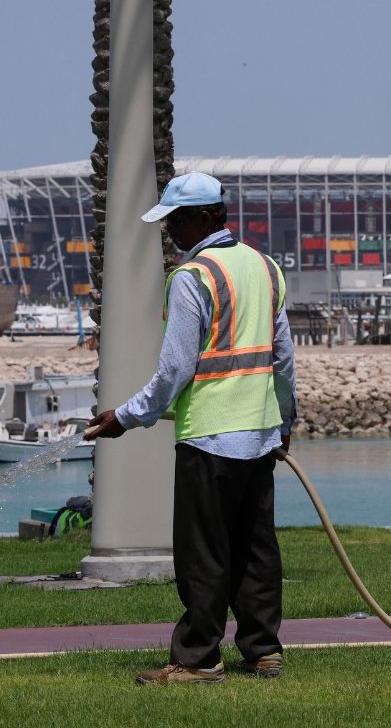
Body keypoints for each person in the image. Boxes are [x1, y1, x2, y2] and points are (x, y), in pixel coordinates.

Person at [87, 171, 297, 686]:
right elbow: (284, 358)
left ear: (205, 217)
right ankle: (263, 651)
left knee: (204, 554)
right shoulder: (266, 267)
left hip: (210, 436)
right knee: (255, 549)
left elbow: (176, 369)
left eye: (176, 222)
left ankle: (198, 659)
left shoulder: (192, 277)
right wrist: (285, 420)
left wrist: (126, 416)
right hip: (260, 435)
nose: (170, 232)